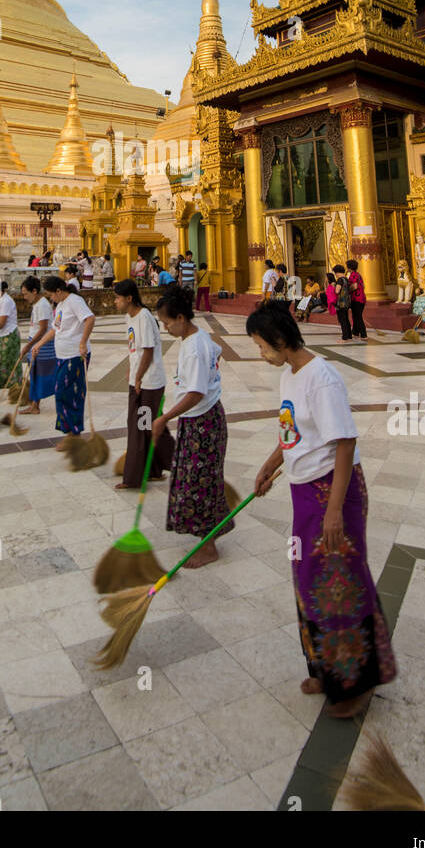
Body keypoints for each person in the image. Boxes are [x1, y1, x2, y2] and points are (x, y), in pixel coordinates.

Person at [247, 300, 397, 718]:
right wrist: (269, 466)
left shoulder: (322, 378)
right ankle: (327, 669)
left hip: (335, 492)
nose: (261, 354)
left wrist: (334, 512)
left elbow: (343, 442)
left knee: (340, 581)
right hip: (303, 492)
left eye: (261, 346)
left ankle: (357, 681)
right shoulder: (291, 375)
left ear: (280, 340)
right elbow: (292, 432)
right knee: (308, 576)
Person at [152, 284, 230, 568]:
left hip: (203, 421)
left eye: (167, 322)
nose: (165, 328)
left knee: (200, 483)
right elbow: (218, 351)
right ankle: (205, 536)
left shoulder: (194, 348)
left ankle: (208, 546)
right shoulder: (198, 338)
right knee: (194, 480)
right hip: (201, 418)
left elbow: (195, 392)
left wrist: (164, 417)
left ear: (181, 319)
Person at [114, 279, 171, 490]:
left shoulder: (144, 317)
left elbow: (148, 350)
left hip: (149, 383)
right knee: (143, 426)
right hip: (139, 380)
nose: (115, 302)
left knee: (142, 426)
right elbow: (135, 349)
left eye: (118, 298)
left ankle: (135, 477)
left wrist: (138, 377)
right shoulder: (130, 317)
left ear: (129, 298)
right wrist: (133, 372)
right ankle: (153, 470)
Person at [32, 275, 95, 440]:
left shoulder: (74, 301)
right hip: (63, 355)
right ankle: (69, 431)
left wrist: (82, 342)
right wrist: (39, 344)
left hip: (75, 355)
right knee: (60, 392)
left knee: (69, 393)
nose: (50, 298)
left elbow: (89, 319)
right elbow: (55, 329)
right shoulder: (60, 305)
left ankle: (74, 433)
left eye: (51, 294)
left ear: (59, 291)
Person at [18, 276, 56, 414]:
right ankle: (34, 403)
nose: (24, 297)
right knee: (34, 374)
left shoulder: (43, 305)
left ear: (34, 291)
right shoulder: (37, 304)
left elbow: (42, 329)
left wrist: (30, 345)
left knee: (39, 375)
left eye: (25, 293)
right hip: (36, 343)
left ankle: (35, 405)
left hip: (42, 345)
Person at [346, 259, 367, 339]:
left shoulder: (353, 275)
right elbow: (363, 286)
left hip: (357, 298)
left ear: (349, 267)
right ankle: (355, 332)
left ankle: (363, 334)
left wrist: (347, 290)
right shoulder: (358, 274)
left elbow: (354, 286)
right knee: (355, 316)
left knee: (357, 316)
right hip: (361, 297)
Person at [332, 265, 352, 341]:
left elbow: (337, 291)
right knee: (346, 319)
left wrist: (334, 287)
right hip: (347, 301)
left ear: (337, 272)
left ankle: (344, 337)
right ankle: (349, 335)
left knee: (342, 320)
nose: (335, 275)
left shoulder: (340, 280)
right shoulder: (346, 279)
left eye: (335, 273)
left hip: (341, 302)